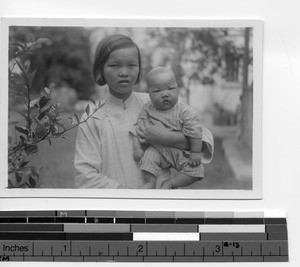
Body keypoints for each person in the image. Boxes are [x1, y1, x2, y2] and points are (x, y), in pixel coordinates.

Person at [74, 34, 193, 189]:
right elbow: (84, 175)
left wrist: (167, 137)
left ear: (139, 69)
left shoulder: (157, 102)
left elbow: (203, 139)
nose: (124, 72)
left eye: (131, 65)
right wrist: (130, 196)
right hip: (117, 208)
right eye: (114, 65)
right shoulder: (93, 117)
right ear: (101, 69)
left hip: (160, 204)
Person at [130, 67, 213, 189]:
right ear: (149, 94)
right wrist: (137, 148)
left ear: (177, 89)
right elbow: (138, 127)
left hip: (179, 152)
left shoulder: (184, 111)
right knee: (147, 161)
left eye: (170, 88)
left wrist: (195, 152)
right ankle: (151, 182)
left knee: (197, 170)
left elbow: (195, 131)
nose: (165, 94)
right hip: (156, 150)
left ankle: (171, 183)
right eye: (157, 91)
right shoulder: (147, 108)